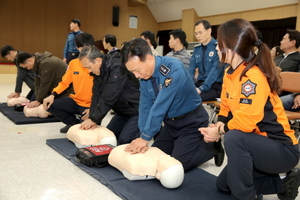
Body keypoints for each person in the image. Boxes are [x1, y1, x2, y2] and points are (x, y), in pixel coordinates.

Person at [199, 18, 300, 200]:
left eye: (218, 44)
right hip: (256, 147)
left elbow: (245, 123)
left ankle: (245, 197)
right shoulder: (230, 73)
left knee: (235, 137)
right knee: (223, 185)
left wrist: (220, 131)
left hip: (282, 150)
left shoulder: (252, 77)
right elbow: (225, 109)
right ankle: (283, 182)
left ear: (231, 47)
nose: (216, 48)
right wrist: (217, 126)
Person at [120, 38, 219, 172]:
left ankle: (211, 148)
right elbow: (145, 106)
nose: (136, 75)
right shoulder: (144, 75)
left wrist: (145, 137)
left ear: (149, 59)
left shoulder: (173, 68)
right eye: (132, 72)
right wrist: (143, 134)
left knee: (175, 167)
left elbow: (160, 105)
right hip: (171, 124)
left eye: (137, 70)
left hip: (191, 121)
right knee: (155, 159)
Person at [78, 46, 140, 145]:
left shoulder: (117, 66)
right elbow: (96, 96)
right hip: (122, 112)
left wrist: (94, 119)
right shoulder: (98, 71)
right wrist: (93, 121)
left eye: (89, 67)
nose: (89, 71)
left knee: (124, 140)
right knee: (110, 137)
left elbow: (109, 96)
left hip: (138, 111)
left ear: (98, 60)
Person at [43, 33, 94, 133]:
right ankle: (72, 123)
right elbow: (65, 82)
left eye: (88, 47)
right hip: (76, 101)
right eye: (82, 48)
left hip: (92, 105)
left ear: (93, 47)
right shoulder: (73, 63)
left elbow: (105, 90)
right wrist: (53, 94)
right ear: (77, 48)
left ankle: (83, 122)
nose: (85, 51)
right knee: (50, 104)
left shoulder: (99, 64)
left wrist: (95, 108)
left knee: (88, 134)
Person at [188, 20, 225, 101]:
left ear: (209, 31)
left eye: (200, 32)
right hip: (199, 83)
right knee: (179, 96)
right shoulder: (197, 49)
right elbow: (190, 70)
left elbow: (215, 72)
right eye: (196, 33)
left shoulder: (218, 47)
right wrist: (190, 86)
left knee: (192, 100)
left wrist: (201, 89)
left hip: (213, 87)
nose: (198, 36)